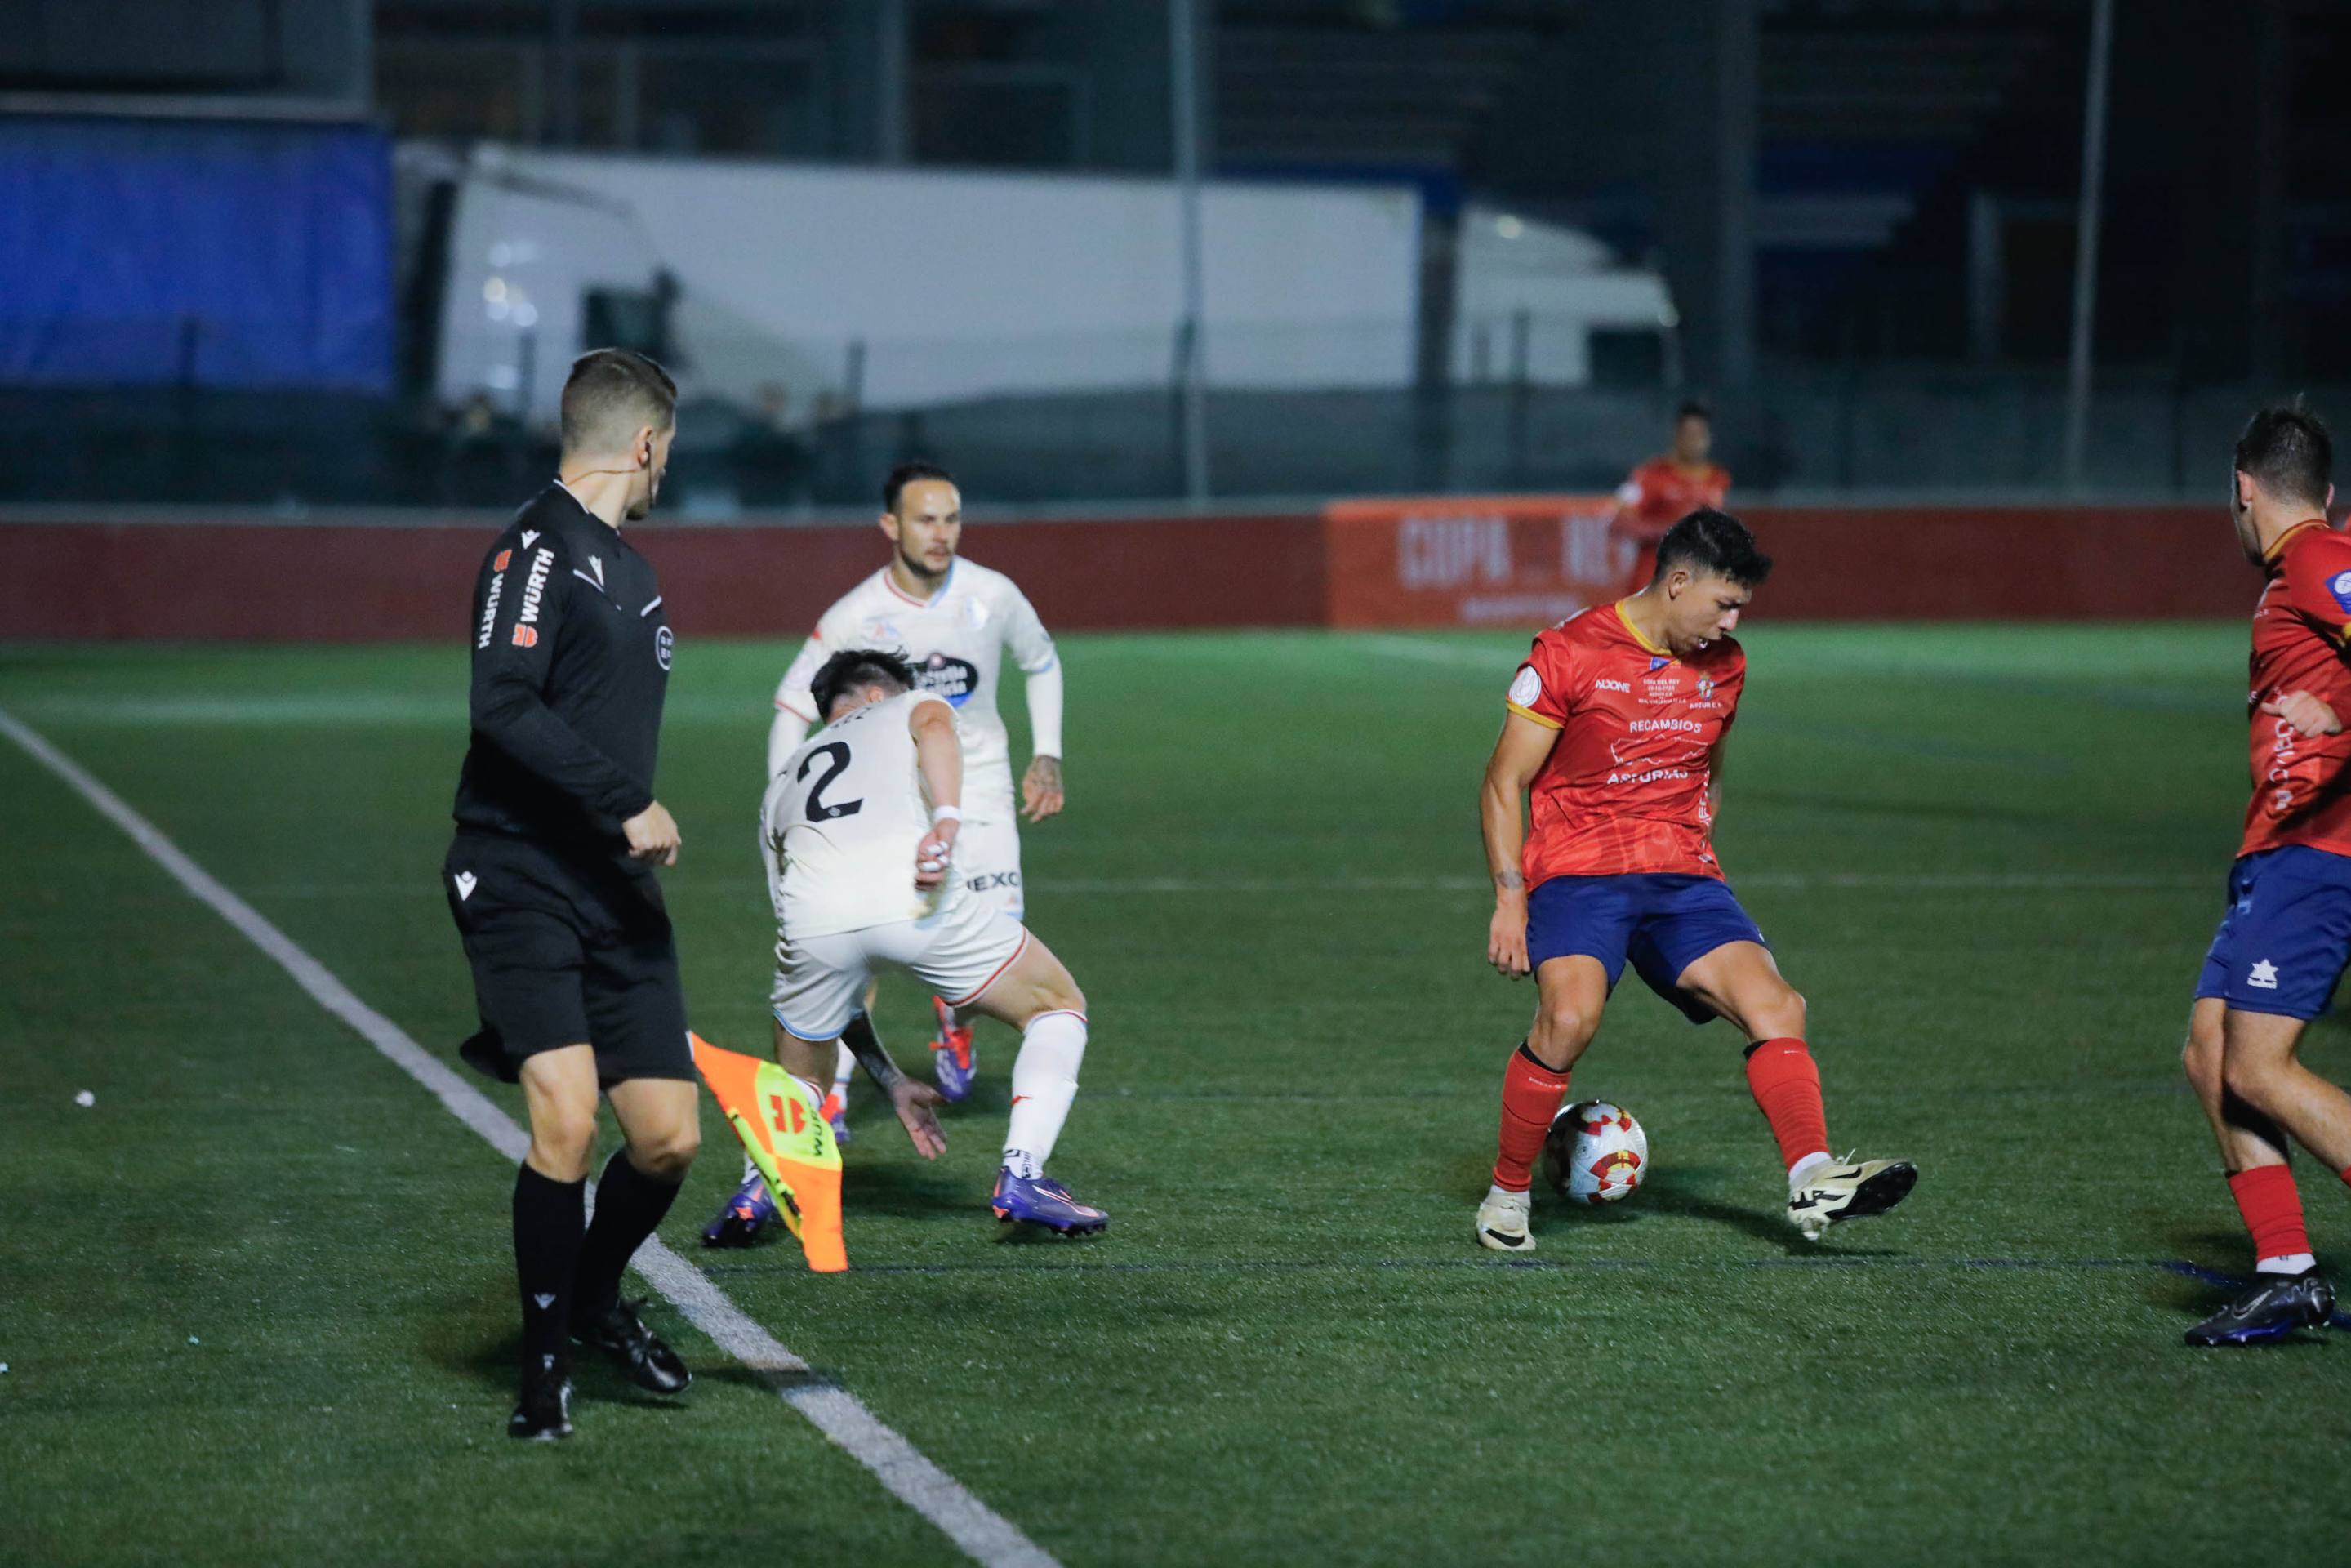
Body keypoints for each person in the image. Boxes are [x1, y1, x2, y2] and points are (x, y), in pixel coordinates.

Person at [1472, 507, 1915, 1253]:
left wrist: (1700, 835)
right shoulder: (1569, 652)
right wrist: (1510, 899)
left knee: (1776, 1003)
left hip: (1680, 877)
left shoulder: (1726, 664)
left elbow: (1708, 765)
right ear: (1677, 583)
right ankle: (1506, 1194)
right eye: (1724, 603)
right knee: (1570, 1020)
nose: (1732, 622)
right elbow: (1500, 783)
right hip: (1580, 874)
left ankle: (1811, 1175)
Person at [443, 348, 700, 1439]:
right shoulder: (534, 550)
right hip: (519, 872)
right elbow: (502, 702)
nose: (662, 473)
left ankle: (593, 1301)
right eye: (665, 453)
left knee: (667, 1140)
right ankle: (541, 1374)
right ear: (642, 443)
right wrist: (621, 801)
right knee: (566, 1120)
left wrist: (619, 826)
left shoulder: (628, 568)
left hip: (614, 888)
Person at [739, 647, 1106, 1236]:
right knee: (1055, 1006)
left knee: (801, 1077)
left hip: (813, 925)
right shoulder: (911, 701)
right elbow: (935, 725)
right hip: (909, 896)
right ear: (879, 694)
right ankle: (1022, 1173)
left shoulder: (779, 782)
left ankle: (755, 1187)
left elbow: (834, 987)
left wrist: (889, 1079)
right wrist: (949, 817)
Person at [764, 465, 1062, 1122]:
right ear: (890, 526)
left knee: (999, 939)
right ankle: (834, 1099)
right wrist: (788, 799)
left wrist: (1048, 753)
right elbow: (791, 705)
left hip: (976, 791)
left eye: (951, 519)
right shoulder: (855, 615)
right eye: (926, 520)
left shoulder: (993, 594)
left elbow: (1041, 662)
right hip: (889, 807)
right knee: (854, 953)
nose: (941, 534)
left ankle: (957, 1024)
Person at [2179, 404, 2351, 1347]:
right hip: (2277, 850)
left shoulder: (2318, 561)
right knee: (2212, 1055)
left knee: (2256, 1065)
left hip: (2319, 855)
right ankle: (2286, 1273)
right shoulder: (2312, 563)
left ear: (2240, 487)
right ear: (2322, 490)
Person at [1609, 401, 1730, 595]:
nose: (1695, 441)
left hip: (1695, 582)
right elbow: (1619, 523)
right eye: (1689, 435)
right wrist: (1673, 530)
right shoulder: (1650, 475)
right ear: (1676, 436)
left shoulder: (1718, 479)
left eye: (1700, 435)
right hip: (1653, 579)